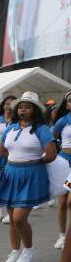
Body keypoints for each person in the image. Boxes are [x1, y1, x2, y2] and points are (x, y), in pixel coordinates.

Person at [0, 92, 58, 262]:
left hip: (31, 175)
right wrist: (15, 161)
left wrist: (34, 162)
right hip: (10, 173)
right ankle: (15, 250)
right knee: (13, 218)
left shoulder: (42, 129)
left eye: (27, 107)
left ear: (35, 110)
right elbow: (2, 150)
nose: (23, 110)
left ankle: (29, 249)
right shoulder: (10, 128)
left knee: (19, 218)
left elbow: (51, 154)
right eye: (20, 107)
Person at [51, 91, 71, 249]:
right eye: (70, 100)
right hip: (65, 163)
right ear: (67, 105)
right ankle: (62, 236)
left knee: (70, 201)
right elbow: (51, 137)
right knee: (63, 202)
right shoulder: (62, 121)